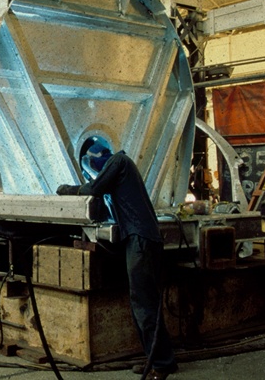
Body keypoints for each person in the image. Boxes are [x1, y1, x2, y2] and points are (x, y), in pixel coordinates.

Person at [57, 144, 177, 380]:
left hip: (141, 239)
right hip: (141, 238)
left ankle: (161, 365)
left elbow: (94, 188)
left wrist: (67, 189)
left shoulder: (118, 162)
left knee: (144, 305)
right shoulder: (123, 165)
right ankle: (158, 360)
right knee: (143, 304)